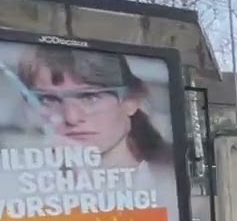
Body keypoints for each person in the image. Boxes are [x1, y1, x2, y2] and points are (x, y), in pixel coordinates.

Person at [16, 45, 173, 178]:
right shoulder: (14, 185)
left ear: (131, 101)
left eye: (90, 97)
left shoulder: (172, 187)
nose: (71, 117)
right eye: (49, 100)